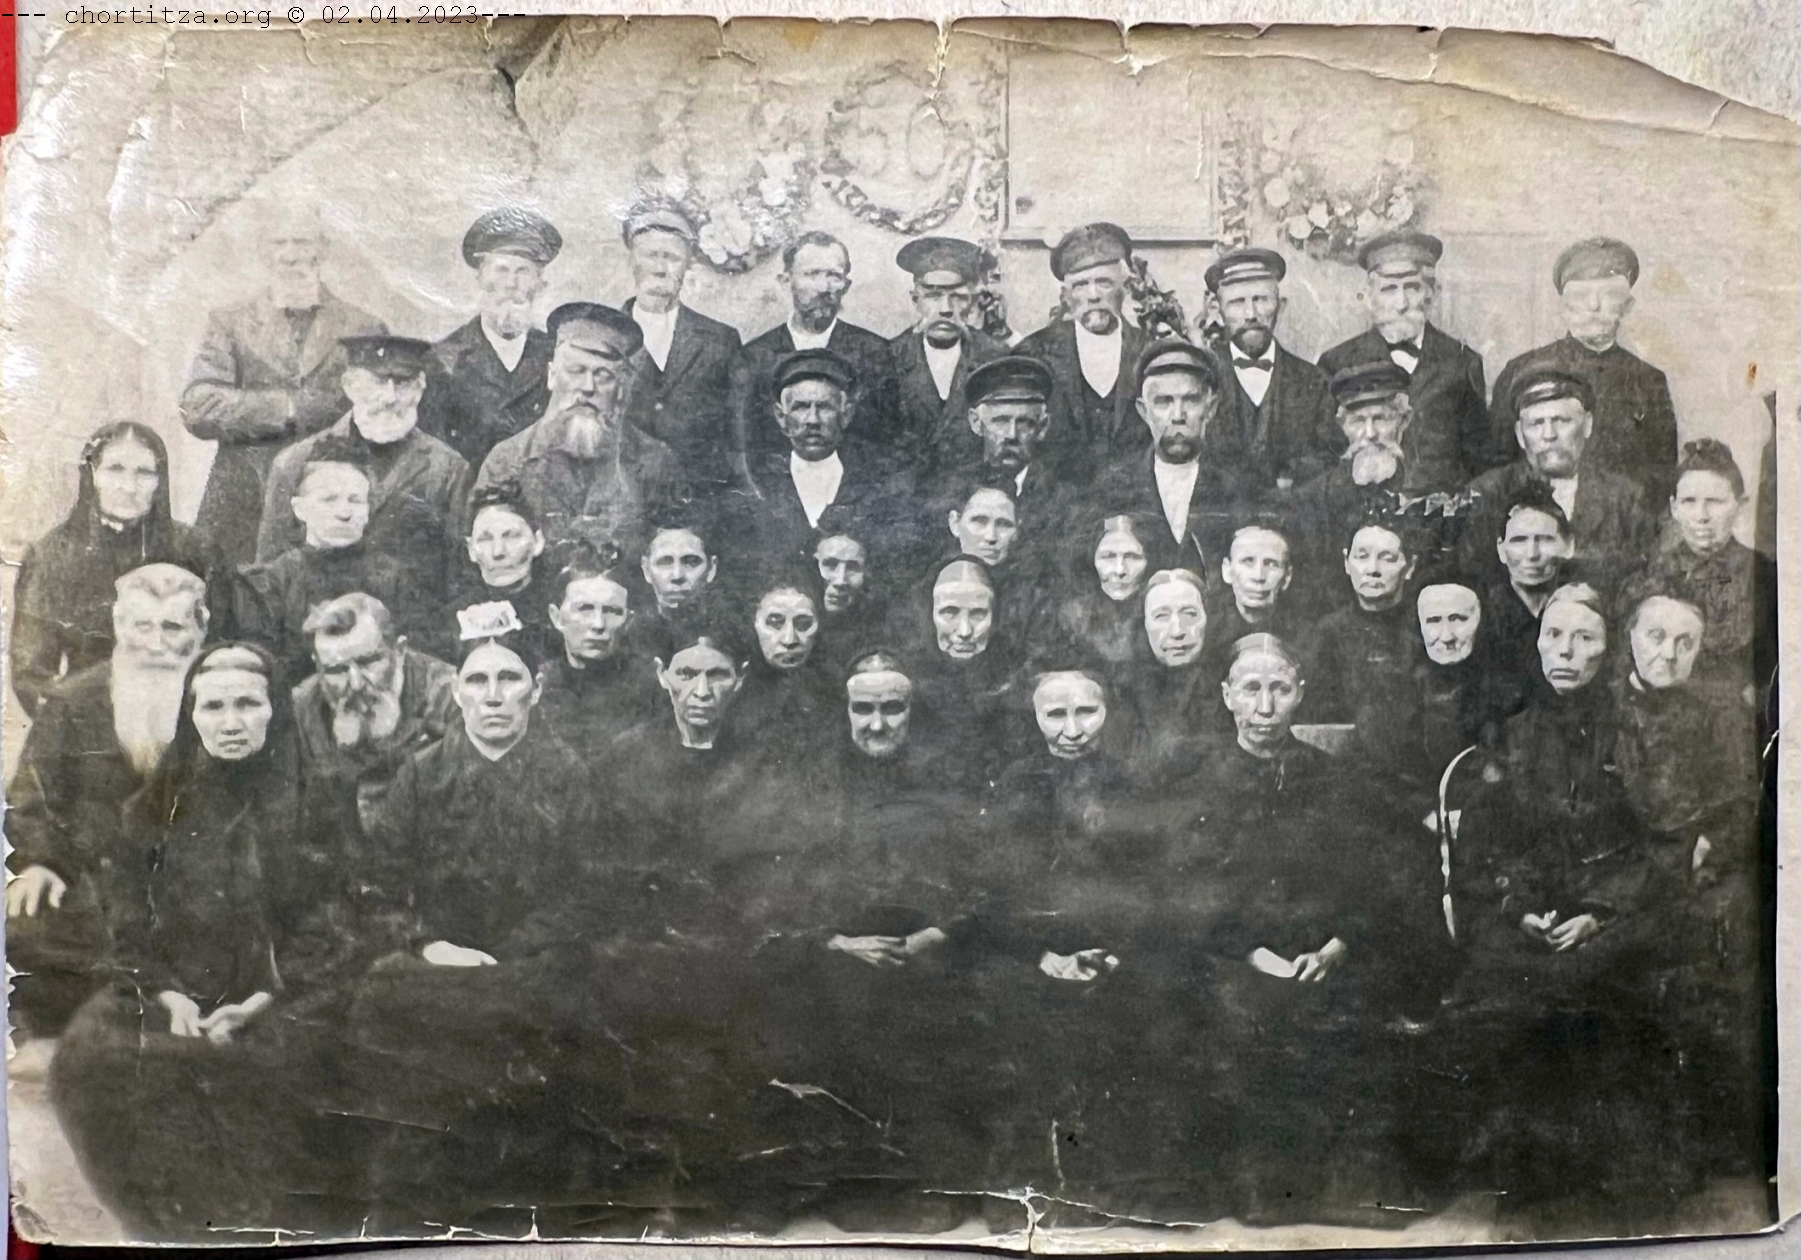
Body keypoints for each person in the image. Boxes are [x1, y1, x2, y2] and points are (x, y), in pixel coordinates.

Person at [48, 642, 333, 1240]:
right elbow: (129, 923)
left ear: (275, 711)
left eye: (248, 705)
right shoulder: (151, 809)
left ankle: (260, 1226)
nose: (231, 722)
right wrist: (168, 994)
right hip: (175, 989)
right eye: (214, 707)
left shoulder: (321, 801)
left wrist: (261, 1000)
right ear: (191, 715)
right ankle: (168, 1228)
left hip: (290, 992)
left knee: (275, 1067)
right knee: (92, 1057)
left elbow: (336, 922)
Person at [1181, 632, 1442, 1221]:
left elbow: (1372, 875)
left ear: (1300, 693)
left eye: (1279, 689)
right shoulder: (1202, 786)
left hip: (1329, 950)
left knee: (1357, 1009)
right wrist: (1256, 954)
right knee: (1243, 1014)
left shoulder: (1335, 780)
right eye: (1251, 689)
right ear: (1226, 696)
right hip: (1240, 955)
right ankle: (1268, 1185)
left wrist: (1336, 946)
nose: (1265, 707)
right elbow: (1197, 890)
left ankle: (1351, 1186)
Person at [1450, 582, 1683, 1224]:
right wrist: (1520, 906)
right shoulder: (1511, 734)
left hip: (1619, 912)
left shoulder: (1636, 732)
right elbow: (1486, 847)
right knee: (1507, 972)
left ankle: (1615, 1170)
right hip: (1536, 912)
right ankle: (1533, 1170)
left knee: (1591, 979)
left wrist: (1599, 912)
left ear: (1609, 650)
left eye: (1584, 638)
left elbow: (1662, 843)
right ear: (1537, 643)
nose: (1566, 651)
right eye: (1554, 635)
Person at [350, 635, 599, 1226]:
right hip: (438, 962)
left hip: (532, 961)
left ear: (536, 692)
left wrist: (512, 953)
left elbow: (586, 890)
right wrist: (431, 945)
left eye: (509, 680)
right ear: (457, 693)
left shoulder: (568, 774)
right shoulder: (421, 774)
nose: (493, 696)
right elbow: (376, 886)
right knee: (385, 1005)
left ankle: (527, 1203)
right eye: (478, 681)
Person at [5, 564, 210, 1037]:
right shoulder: (74, 700)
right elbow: (31, 795)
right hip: (92, 882)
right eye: (142, 626)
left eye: (173, 627)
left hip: (188, 888)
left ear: (201, 630)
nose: (155, 643)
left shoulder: (223, 699)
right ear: (119, 625)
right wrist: (40, 863)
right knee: (24, 929)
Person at [1611, 593, 1766, 1183]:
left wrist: (1708, 846)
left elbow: (1739, 805)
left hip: (1694, 872)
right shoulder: (1606, 710)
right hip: (1621, 872)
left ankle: (1696, 1143)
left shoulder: (1720, 716)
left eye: (1685, 643)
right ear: (1630, 637)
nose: (1668, 654)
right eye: (1655, 637)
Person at [180, 208, 385, 568]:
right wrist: (289, 407)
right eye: (279, 242)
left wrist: (245, 408)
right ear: (263, 251)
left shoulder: (363, 327)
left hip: (332, 502)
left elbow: (377, 413)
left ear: (323, 249)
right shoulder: (230, 322)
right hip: (243, 502)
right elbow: (198, 408)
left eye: (302, 242)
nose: (290, 254)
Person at [10, 421, 214, 716]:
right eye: (115, 470)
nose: (129, 487)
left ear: (160, 480)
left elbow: (222, 650)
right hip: (87, 720)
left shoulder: (194, 550)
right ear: (92, 474)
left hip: (182, 717)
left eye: (144, 473)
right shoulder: (51, 556)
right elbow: (31, 678)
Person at [256, 335, 472, 604]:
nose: (389, 398)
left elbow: (459, 576)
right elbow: (268, 576)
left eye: (402, 383)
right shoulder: (296, 461)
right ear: (349, 385)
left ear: (420, 387)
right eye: (377, 382)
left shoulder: (449, 468)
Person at [476, 302, 684, 549]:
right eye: (576, 371)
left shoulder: (655, 462)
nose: (588, 387)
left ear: (620, 387)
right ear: (552, 376)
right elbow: (490, 549)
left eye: (604, 376)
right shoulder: (506, 461)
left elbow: (672, 550)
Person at [1490, 237, 1679, 501]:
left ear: (1627, 306)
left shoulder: (1649, 380)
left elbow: (1663, 473)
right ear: (1563, 307)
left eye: (1609, 295)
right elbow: (1497, 465)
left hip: (1624, 519)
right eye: (1580, 296)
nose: (1594, 306)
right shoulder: (1522, 371)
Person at [1317, 230, 1491, 491]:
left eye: (1412, 287)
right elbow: (1325, 457)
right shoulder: (1336, 362)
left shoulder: (1463, 362)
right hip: (1362, 508)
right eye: (1388, 289)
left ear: (1431, 293)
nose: (1401, 303)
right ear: (1369, 296)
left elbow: (1480, 463)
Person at [232, 442, 415, 679]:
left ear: (368, 510)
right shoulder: (269, 584)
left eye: (355, 500)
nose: (344, 512)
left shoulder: (395, 578)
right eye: (329, 499)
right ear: (299, 509)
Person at [1623, 438, 1776, 713]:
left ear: (1740, 506)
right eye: (1689, 501)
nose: (1701, 516)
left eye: (1714, 502)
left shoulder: (1765, 575)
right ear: (1674, 508)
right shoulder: (1648, 575)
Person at [289, 593, 457, 841]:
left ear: (400, 651)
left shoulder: (449, 696)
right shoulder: (303, 705)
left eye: (368, 662)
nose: (355, 684)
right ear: (317, 665)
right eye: (336, 670)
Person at [1464, 366, 1653, 581]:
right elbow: (1472, 577)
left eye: (1561, 421)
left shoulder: (1626, 498)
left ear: (1587, 425)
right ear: (1519, 434)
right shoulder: (1487, 494)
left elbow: (1642, 576)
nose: (1549, 435)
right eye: (1536, 423)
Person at [733, 348, 914, 567]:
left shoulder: (878, 484)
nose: (813, 420)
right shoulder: (758, 485)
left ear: (846, 414)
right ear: (781, 416)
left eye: (825, 407)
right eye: (800, 407)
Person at [729, 231, 893, 472]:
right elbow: (742, 445)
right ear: (786, 281)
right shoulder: (754, 357)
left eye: (834, 276)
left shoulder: (875, 353)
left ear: (846, 286)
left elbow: (887, 442)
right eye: (812, 274)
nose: (824, 287)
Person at [418, 207, 562, 464]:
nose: (511, 284)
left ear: (540, 283)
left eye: (523, 271)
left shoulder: (559, 355)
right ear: (480, 277)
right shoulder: (441, 361)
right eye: (501, 270)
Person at [620, 204, 745, 490]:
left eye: (672, 258)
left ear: (688, 265)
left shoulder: (720, 340)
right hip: (624, 494)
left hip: (699, 496)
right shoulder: (606, 336)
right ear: (631, 260)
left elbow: (736, 436)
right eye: (650, 255)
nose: (660, 268)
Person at [1086, 339, 1237, 573]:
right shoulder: (1113, 487)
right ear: (1143, 411)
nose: (1178, 415)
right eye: (1164, 401)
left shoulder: (1238, 483)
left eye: (1191, 400)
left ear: (1211, 408)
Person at [1015, 223, 1151, 481]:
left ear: (1124, 288)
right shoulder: (1032, 354)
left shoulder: (1149, 350)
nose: (1093, 295)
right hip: (1056, 501)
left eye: (1104, 283)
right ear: (1065, 295)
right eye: (1080, 285)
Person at [1203, 246, 1336, 493]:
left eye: (1260, 299)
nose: (1250, 314)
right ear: (1219, 311)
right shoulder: (1202, 381)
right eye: (1237, 302)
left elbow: (1328, 459)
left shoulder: (1314, 381)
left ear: (1280, 306)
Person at [881, 236, 1010, 470]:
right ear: (916, 300)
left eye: (957, 297)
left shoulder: (996, 358)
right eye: (933, 296)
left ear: (971, 301)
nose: (945, 310)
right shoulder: (887, 359)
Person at [1294, 360, 1433, 571]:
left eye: (1381, 419)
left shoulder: (1427, 493)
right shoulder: (1315, 499)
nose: (1370, 434)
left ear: (1404, 421)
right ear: (1343, 426)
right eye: (1358, 421)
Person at [1299, 520, 1422, 757]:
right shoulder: (1327, 632)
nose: (1372, 569)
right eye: (1362, 557)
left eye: (1387, 558)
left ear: (1410, 567)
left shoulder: (1424, 627)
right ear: (1347, 562)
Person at [535, 546, 655, 747]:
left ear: (628, 620)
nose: (598, 624)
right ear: (556, 617)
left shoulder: (649, 687)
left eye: (612, 611)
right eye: (584, 608)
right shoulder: (538, 684)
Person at [1115, 568, 1217, 778]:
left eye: (1190, 614)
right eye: (1161, 616)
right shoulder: (1123, 693)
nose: (1177, 631)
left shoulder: (1228, 684)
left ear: (1207, 619)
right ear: (1144, 623)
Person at [1477, 484, 1580, 689]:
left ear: (1569, 546)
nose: (1532, 554)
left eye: (1545, 540)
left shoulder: (1583, 610)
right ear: (1501, 549)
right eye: (1519, 540)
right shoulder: (1483, 615)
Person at [443, 481, 555, 665]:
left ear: (538, 542)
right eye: (485, 539)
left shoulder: (558, 613)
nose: (498, 552)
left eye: (511, 536)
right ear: (471, 549)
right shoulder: (452, 620)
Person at [731, 572, 839, 760]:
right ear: (754, 623)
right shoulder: (732, 690)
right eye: (775, 623)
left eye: (803, 624)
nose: (789, 639)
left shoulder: (834, 690)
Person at [956, 355, 1065, 514]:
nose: (1011, 434)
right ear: (976, 422)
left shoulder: (1061, 500)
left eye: (1024, 423)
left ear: (1042, 427)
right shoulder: (953, 493)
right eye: (1000, 421)